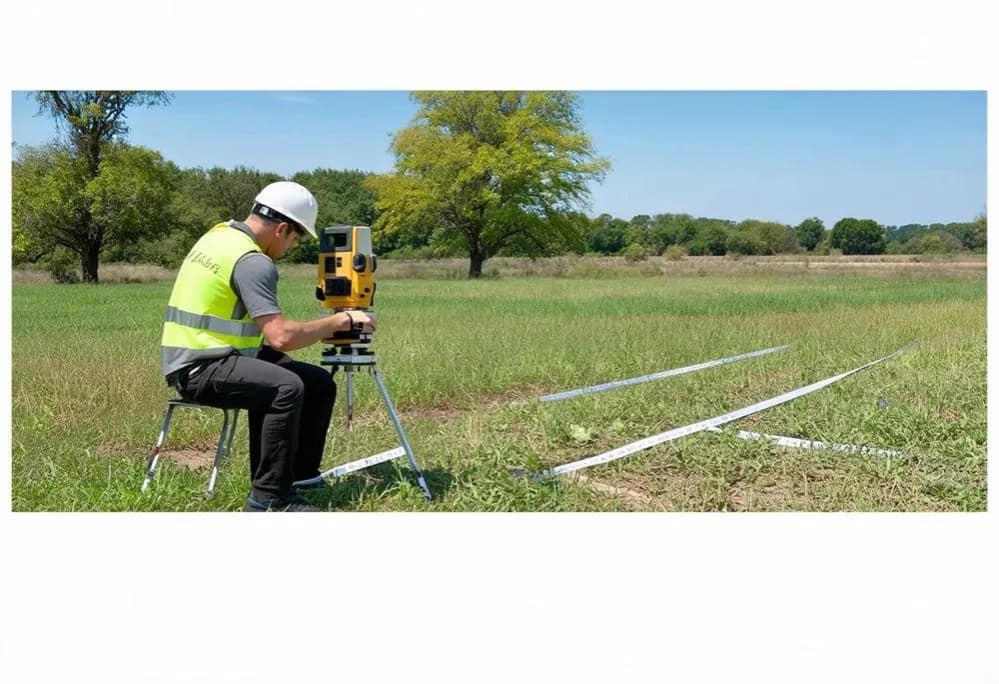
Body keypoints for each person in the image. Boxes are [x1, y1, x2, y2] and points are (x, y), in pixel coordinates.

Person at [160, 181, 375, 512]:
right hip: (200, 367)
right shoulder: (253, 261)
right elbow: (281, 336)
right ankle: (268, 500)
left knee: (317, 383)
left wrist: (277, 357)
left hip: (203, 355)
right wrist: (340, 322)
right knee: (284, 387)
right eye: (295, 239)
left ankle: (300, 476)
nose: (290, 248)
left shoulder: (218, 237)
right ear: (283, 229)